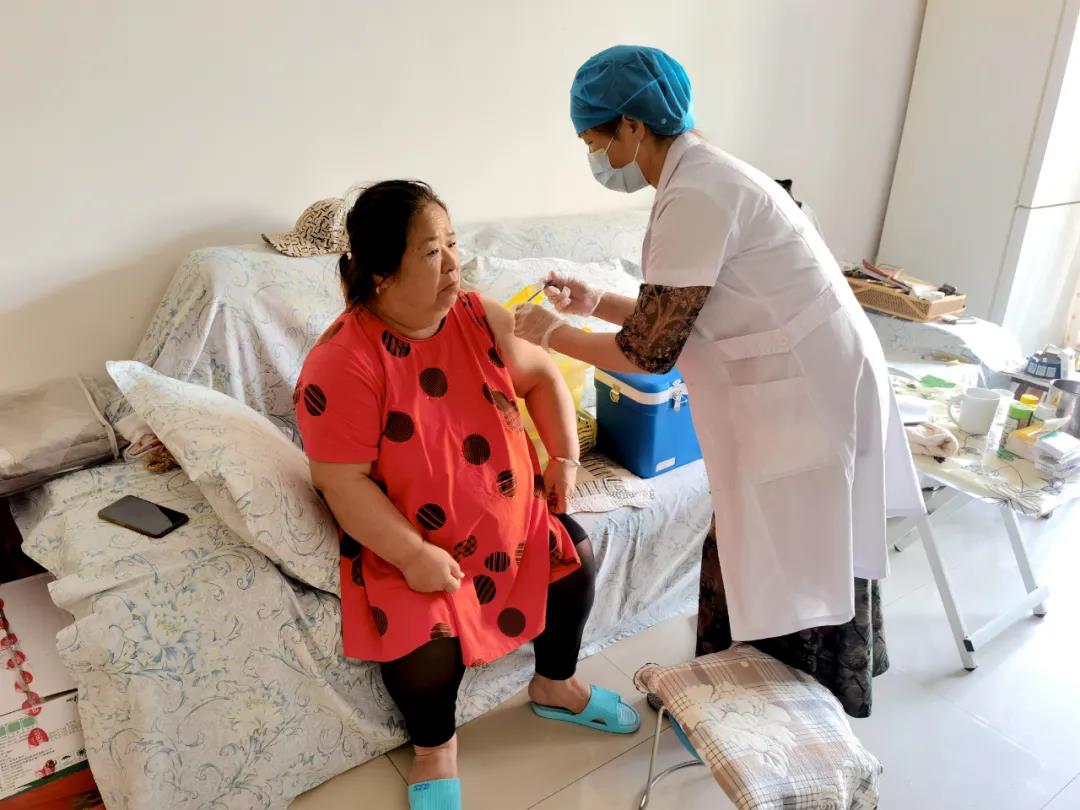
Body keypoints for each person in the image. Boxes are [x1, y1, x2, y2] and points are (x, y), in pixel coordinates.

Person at [513, 45, 924, 718]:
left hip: (806, 396)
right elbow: (685, 308)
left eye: (594, 142)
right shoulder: (701, 176)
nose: (596, 159)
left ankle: (768, 714)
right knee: (752, 545)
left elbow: (651, 351)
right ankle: (733, 693)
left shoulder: (697, 193)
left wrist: (551, 332)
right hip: (802, 379)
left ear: (632, 127)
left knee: (790, 552)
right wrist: (594, 302)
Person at [294, 180, 640, 810]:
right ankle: (434, 749)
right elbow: (341, 481)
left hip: (512, 524)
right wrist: (411, 554)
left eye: (453, 243)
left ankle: (554, 685)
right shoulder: (342, 362)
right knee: (426, 647)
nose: (454, 263)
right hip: (416, 541)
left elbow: (542, 379)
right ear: (380, 275)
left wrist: (563, 457)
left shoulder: (480, 316)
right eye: (432, 252)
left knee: (574, 562)